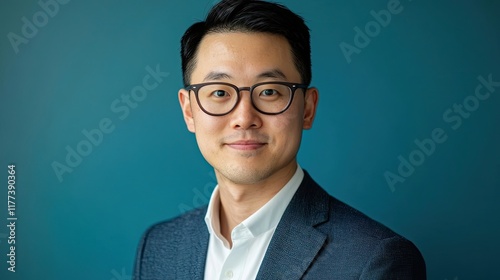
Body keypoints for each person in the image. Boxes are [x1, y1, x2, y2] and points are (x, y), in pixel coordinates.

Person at [133, 0, 426, 279]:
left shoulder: (374, 259)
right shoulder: (159, 246)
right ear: (189, 111)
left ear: (307, 108)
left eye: (269, 91)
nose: (244, 117)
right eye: (220, 93)